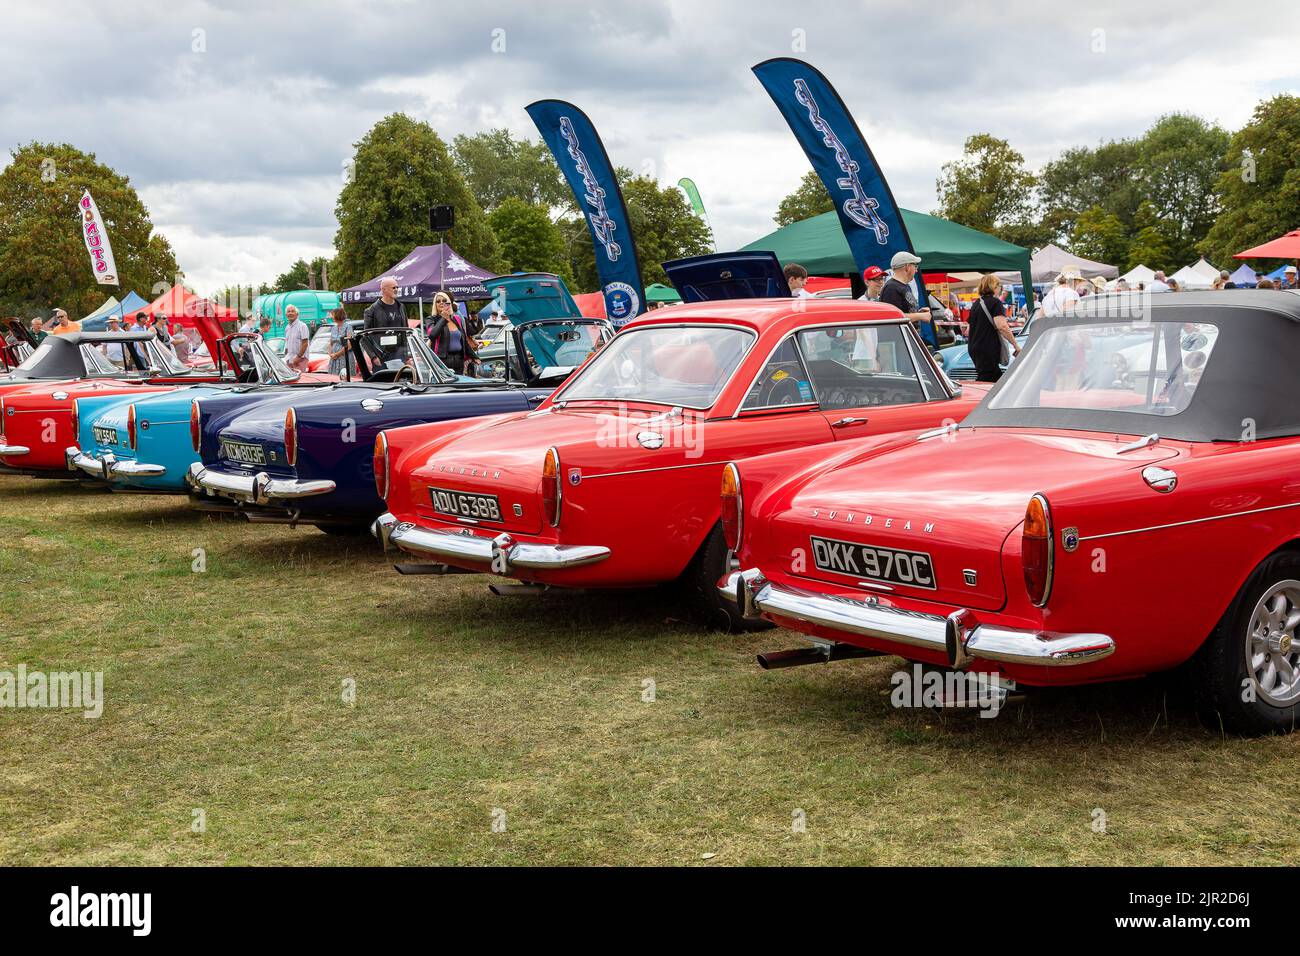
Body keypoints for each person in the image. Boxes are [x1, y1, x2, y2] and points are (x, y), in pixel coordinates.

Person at [967, 274, 1021, 383]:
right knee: (988, 382)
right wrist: (1015, 345)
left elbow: (967, 329)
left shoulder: (976, 304)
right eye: (999, 286)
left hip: (974, 348)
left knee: (993, 379)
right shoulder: (995, 303)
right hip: (988, 348)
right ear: (994, 287)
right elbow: (1002, 326)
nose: (1000, 289)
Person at [879, 252, 934, 343]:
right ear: (907, 267)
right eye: (915, 266)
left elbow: (902, 312)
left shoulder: (904, 286)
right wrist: (920, 316)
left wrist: (917, 313)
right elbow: (891, 318)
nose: (916, 270)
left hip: (906, 340)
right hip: (898, 342)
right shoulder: (891, 288)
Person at [427, 292, 477, 375]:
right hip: (442, 362)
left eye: (444, 300)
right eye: (438, 301)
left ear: (449, 303)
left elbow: (464, 341)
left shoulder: (457, 319)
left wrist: (474, 356)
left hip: (459, 361)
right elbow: (432, 335)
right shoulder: (431, 319)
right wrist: (443, 319)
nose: (441, 303)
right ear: (435, 304)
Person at [282, 305, 310, 372]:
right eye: (288, 312)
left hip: (300, 360)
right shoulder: (287, 327)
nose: (290, 313)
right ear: (286, 315)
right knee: (291, 381)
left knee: (300, 380)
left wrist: (298, 357)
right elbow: (287, 343)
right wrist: (286, 356)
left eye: (292, 311)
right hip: (290, 359)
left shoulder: (302, 326)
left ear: (297, 314)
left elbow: (305, 343)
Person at [326, 308, 350, 377]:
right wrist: (330, 353)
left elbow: (349, 344)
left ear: (338, 315)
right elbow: (331, 343)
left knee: (343, 377)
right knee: (333, 377)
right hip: (333, 358)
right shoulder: (333, 328)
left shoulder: (348, 327)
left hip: (343, 358)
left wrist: (337, 354)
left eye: (332, 315)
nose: (331, 317)